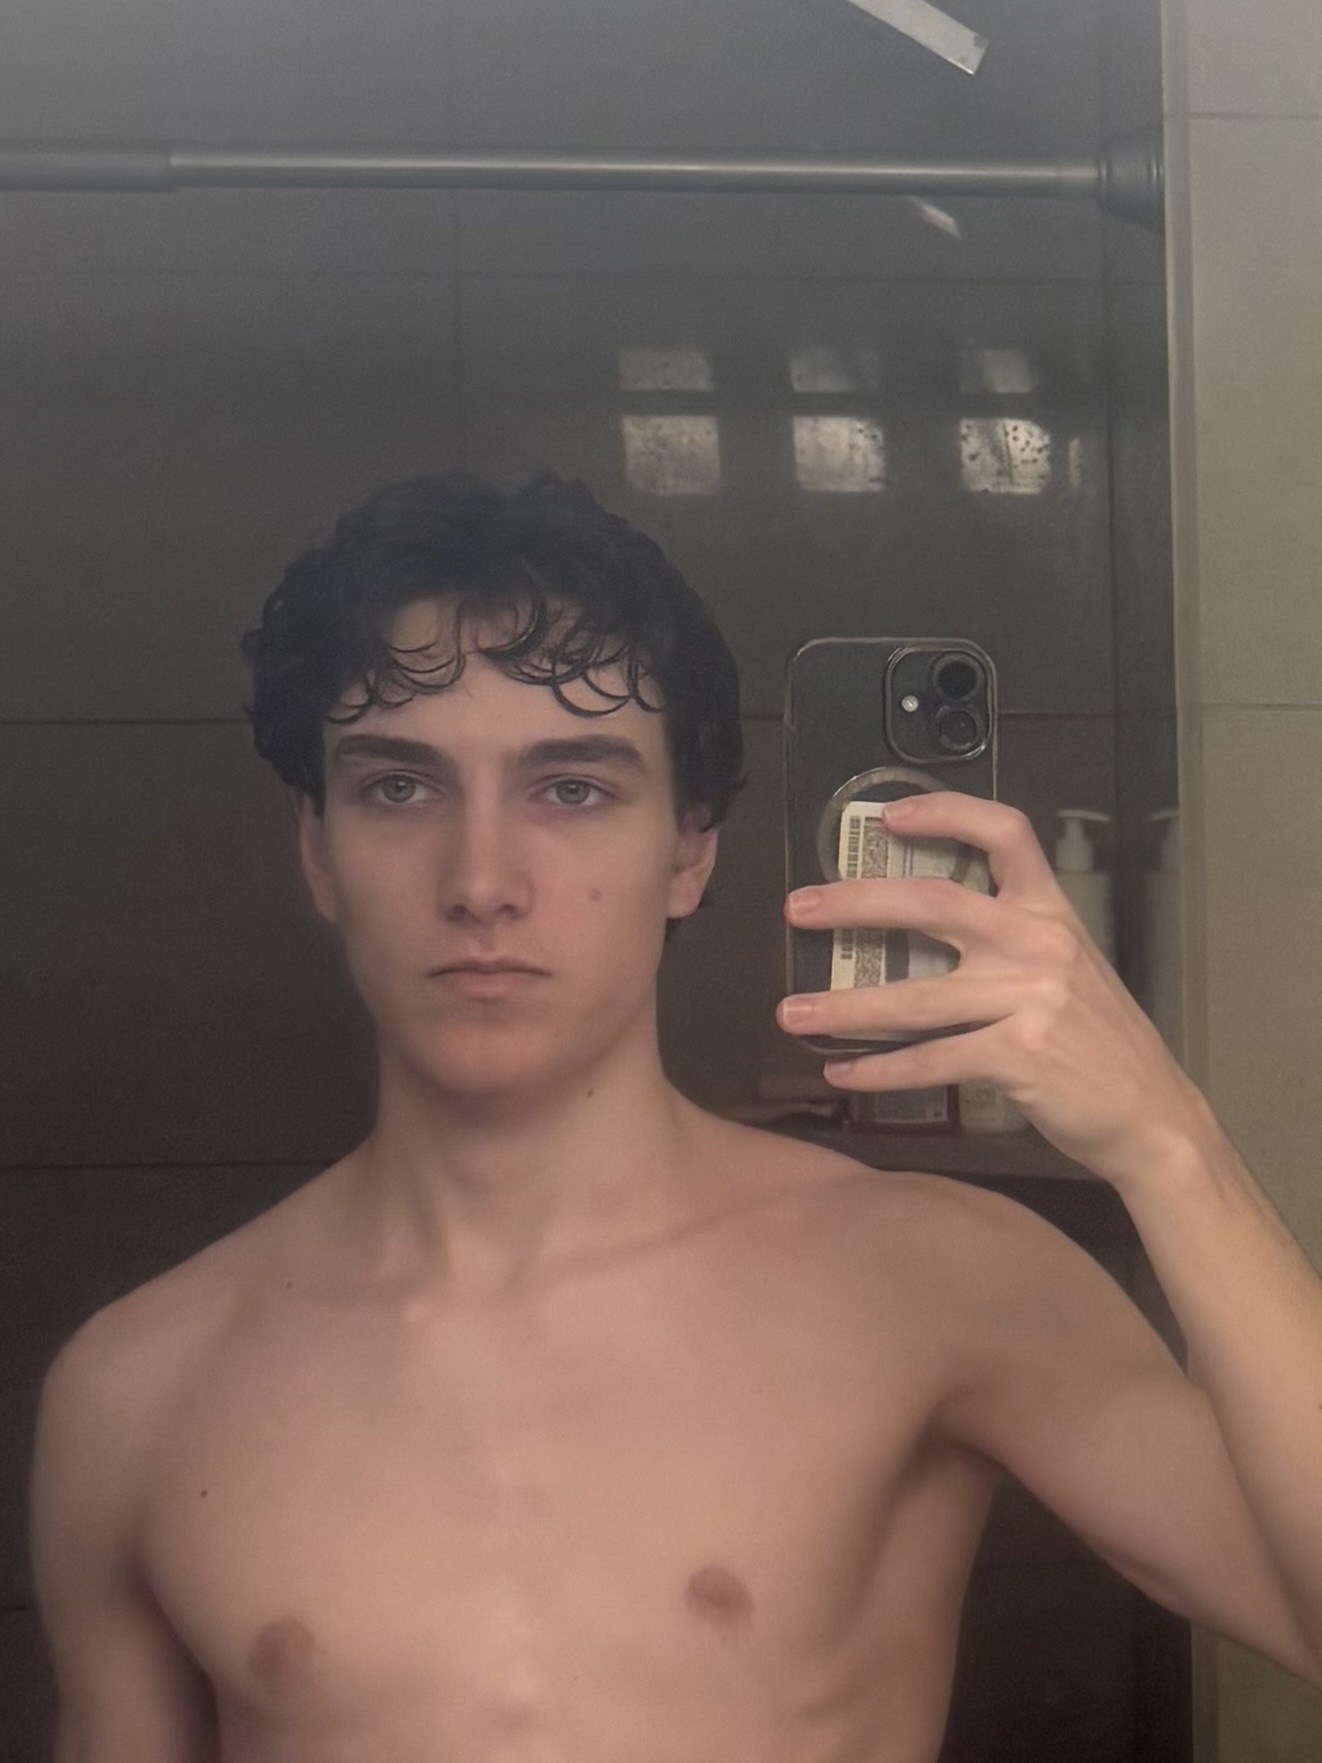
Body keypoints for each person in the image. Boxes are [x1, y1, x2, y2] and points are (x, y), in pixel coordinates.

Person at [30, 471, 1322, 1763]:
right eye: (400, 789)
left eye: (570, 789)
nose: (481, 882)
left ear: (690, 850)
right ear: (317, 848)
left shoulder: (934, 1279)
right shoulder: (139, 1390)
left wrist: (1169, 1144)